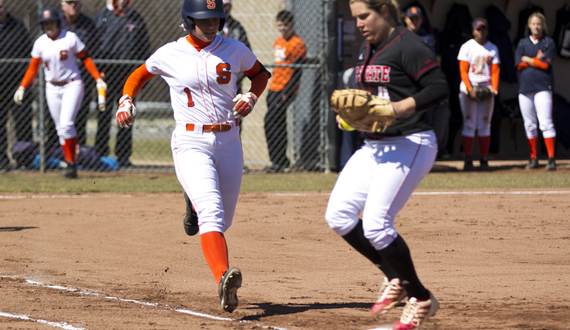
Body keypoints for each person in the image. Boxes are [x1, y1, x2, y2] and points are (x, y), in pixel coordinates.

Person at [114, 0, 269, 313]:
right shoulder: (170, 53)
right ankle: (224, 278)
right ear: (187, 20)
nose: (211, 25)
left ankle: (192, 202)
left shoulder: (234, 48)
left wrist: (251, 96)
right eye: (204, 20)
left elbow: (260, 74)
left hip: (229, 140)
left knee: (223, 219)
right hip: (190, 140)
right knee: (212, 211)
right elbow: (139, 75)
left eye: (215, 19)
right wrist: (126, 100)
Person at [324, 1, 449, 329]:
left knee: (376, 225)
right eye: (355, 18)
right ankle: (394, 276)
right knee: (338, 215)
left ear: (385, 12)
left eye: (365, 16)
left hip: (411, 141)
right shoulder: (368, 48)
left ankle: (420, 298)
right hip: (375, 144)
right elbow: (371, 99)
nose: (359, 23)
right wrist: (352, 119)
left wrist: (397, 109)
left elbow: (439, 88)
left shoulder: (408, 44)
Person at [13, 8, 106, 178]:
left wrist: (97, 78)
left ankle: (71, 162)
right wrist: (22, 87)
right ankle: (70, 162)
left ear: (57, 22)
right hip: (52, 87)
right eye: (45, 23)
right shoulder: (41, 42)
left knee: (66, 124)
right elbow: (33, 68)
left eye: (51, 22)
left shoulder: (70, 38)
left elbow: (85, 58)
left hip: (72, 84)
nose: (49, 26)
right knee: (60, 128)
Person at [93, 0, 150, 168]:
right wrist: (98, 73)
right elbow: (94, 45)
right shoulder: (103, 17)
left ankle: (123, 156)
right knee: (103, 116)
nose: (122, 2)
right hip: (106, 76)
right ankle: (100, 154)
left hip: (128, 78)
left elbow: (144, 48)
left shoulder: (136, 19)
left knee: (127, 114)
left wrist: (142, 77)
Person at [404, 5, 450, 159]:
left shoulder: (428, 37)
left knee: (429, 118)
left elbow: (432, 62)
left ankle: (430, 152)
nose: (414, 22)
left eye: (416, 19)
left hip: (422, 85)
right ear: (405, 19)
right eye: (411, 19)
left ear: (421, 20)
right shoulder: (399, 37)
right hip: (404, 86)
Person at [263, 10, 306, 173]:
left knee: (272, 121)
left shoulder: (297, 43)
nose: (282, 28)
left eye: (286, 25)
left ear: (292, 25)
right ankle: (278, 161)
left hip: (285, 89)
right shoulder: (278, 42)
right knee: (274, 123)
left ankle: (279, 160)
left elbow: (297, 72)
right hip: (274, 87)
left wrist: (286, 93)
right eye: (280, 25)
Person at [515, 12, 557, 171]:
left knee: (546, 123)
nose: (536, 27)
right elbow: (518, 65)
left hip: (543, 87)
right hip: (525, 87)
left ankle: (551, 158)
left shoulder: (548, 42)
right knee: (529, 125)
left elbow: (546, 65)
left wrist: (527, 59)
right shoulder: (523, 43)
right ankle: (533, 158)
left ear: (543, 25)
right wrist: (535, 60)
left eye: (539, 24)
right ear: (529, 25)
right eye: (533, 24)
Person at [457, 18, 500, 171]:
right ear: (473, 30)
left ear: (487, 30)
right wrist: (469, 89)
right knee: (469, 123)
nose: (480, 32)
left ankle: (484, 159)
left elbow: (495, 70)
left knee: (484, 125)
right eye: (478, 29)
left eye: (483, 29)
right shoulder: (467, 47)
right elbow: (463, 70)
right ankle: (468, 159)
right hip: (471, 87)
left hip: (486, 87)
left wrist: (494, 89)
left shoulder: (492, 48)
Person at [60, 0, 99, 148]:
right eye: (69, 3)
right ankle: (56, 154)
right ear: (63, 5)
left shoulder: (88, 24)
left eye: (75, 2)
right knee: (57, 121)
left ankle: (79, 152)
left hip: (81, 80)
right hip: (60, 79)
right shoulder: (55, 22)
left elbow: (94, 51)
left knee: (81, 116)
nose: (73, 6)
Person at [0, 0, 33, 171]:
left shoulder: (18, 27)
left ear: (5, 7)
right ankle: (2, 160)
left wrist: (25, 83)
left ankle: (23, 159)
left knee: (22, 121)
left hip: (17, 84)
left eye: (0, 6)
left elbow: (29, 55)